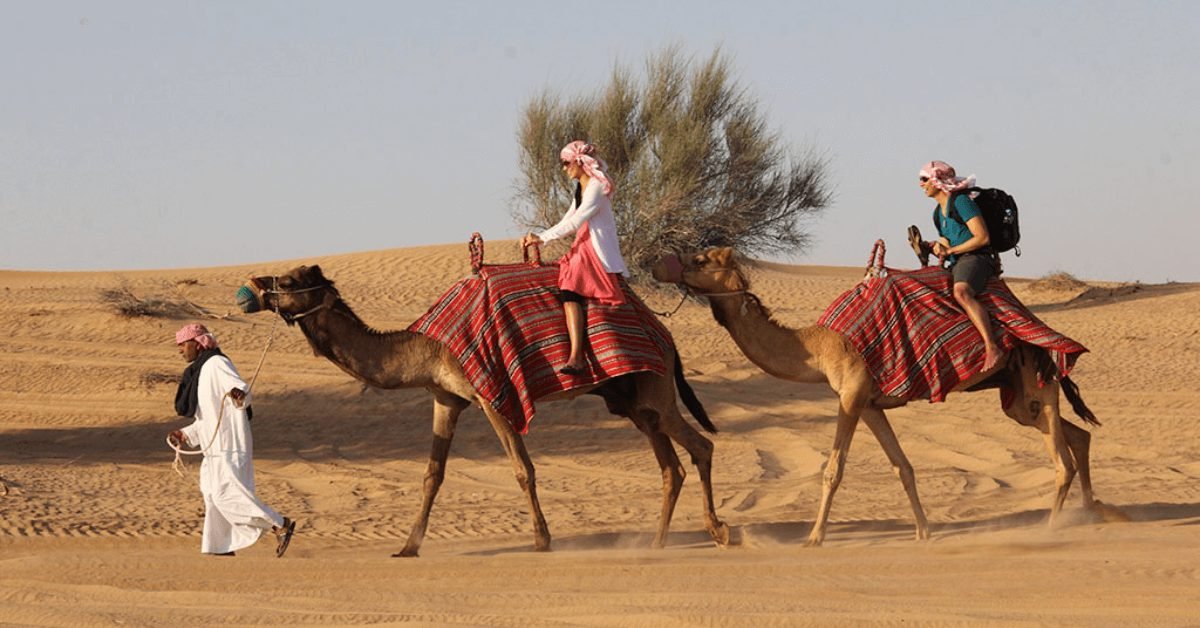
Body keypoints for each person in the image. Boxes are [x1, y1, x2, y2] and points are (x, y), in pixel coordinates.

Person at [166, 323, 296, 557]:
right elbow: (209, 417)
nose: (180, 350)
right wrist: (185, 434)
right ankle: (220, 547)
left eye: (183, 345)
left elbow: (241, 391)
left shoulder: (217, 364)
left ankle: (279, 523)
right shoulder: (201, 371)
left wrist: (240, 394)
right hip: (213, 448)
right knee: (211, 495)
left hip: (229, 445)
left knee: (225, 494)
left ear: (197, 344)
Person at [520, 140, 628, 376]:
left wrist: (543, 238)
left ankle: (577, 357)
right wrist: (540, 235)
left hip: (594, 247)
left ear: (579, 162)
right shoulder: (581, 187)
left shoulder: (597, 186)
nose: (564, 168)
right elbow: (568, 217)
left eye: (566, 163)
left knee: (569, 290)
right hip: (582, 243)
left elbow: (577, 221)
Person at [917, 160, 1005, 372]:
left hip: (977, 257)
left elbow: (982, 237)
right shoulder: (938, 213)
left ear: (937, 180)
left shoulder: (962, 202)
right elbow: (947, 242)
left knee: (961, 292)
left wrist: (950, 251)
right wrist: (931, 247)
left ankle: (992, 347)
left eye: (924, 179)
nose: (921, 184)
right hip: (957, 261)